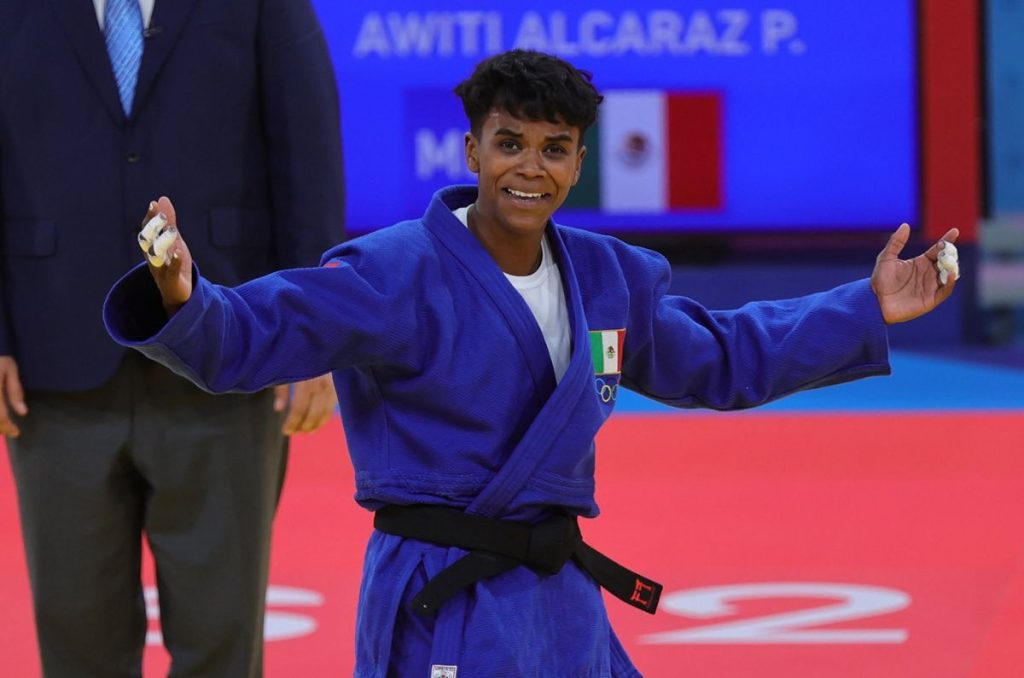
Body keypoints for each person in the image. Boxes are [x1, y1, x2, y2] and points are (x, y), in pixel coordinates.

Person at [104, 50, 957, 677]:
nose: (530, 168)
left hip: (557, 602)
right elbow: (251, 335)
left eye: (554, 149)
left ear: (581, 164)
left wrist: (865, 307)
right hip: (440, 597)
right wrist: (185, 294)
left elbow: (726, 357)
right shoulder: (393, 272)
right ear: (470, 151)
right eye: (509, 143)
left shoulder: (610, 278)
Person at [0, 0, 344, 675]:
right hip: (50, 366)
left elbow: (309, 157)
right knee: (76, 649)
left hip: (227, 355)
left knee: (222, 643)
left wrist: (314, 336)